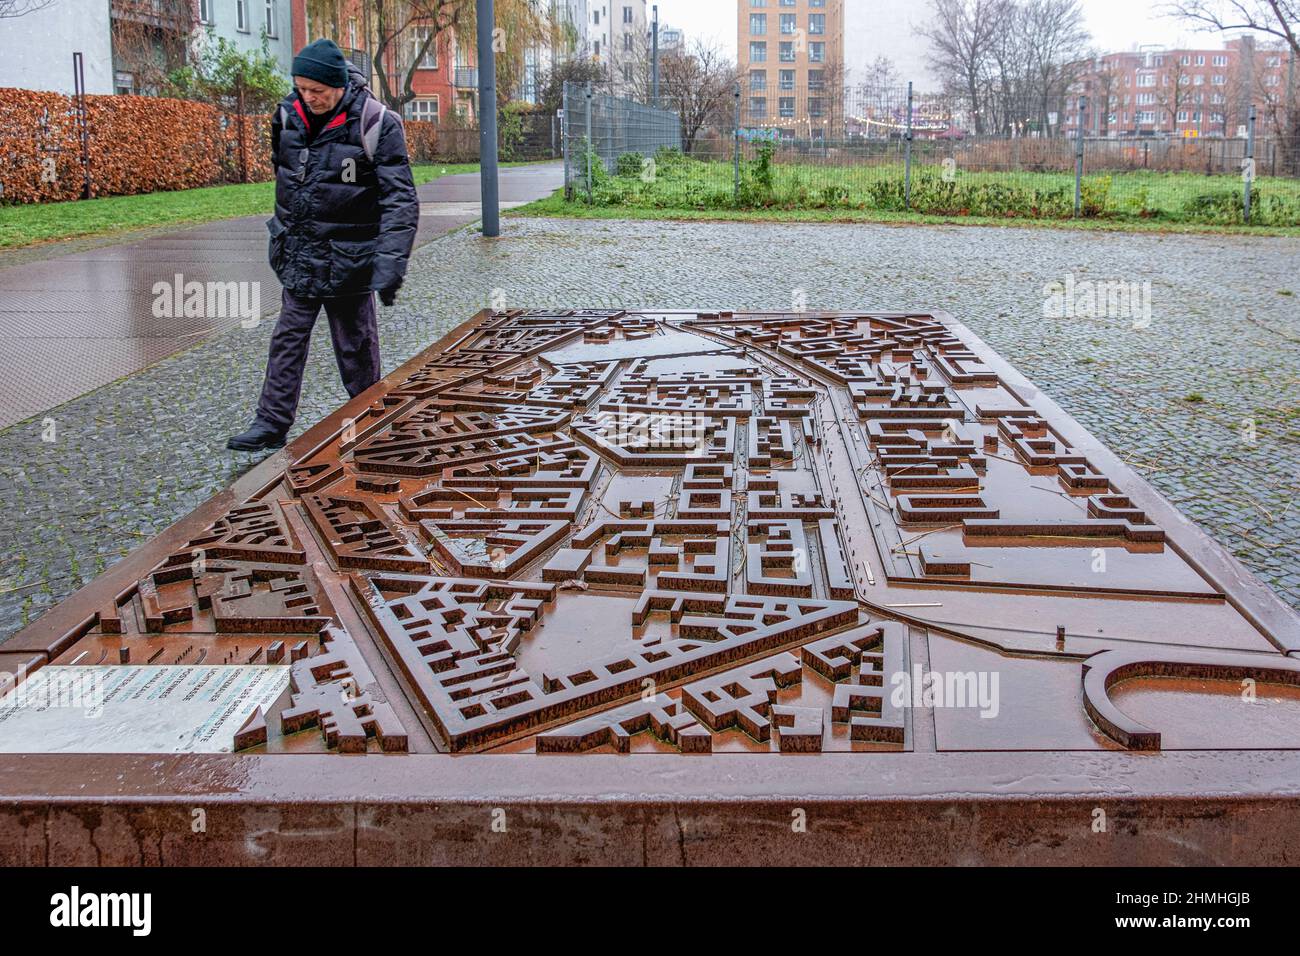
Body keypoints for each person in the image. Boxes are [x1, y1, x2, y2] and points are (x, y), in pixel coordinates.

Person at [227, 38, 419, 452]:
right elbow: (286, 174)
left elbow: (400, 199)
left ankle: (371, 419)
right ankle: (271, 422)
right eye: (302, 88)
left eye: (317, 90)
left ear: (337, 85)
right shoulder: (286, 116)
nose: (309, 97)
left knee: (356, 347)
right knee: (287, 338)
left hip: (349, 260)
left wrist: (390, 264)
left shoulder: (376, 123)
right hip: (299, 252)